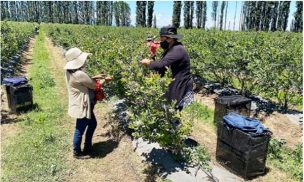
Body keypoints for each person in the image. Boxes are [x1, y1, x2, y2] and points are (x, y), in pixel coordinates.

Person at [64, 47, 112, 159]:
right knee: (80, 128)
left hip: (80, 103)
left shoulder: (70, 71)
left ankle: (88, 147)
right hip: (83, 105)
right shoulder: (79, 74)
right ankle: (77, 152)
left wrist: (96, 76)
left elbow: (83, 81)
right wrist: (106, 79)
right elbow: (95, 86)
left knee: (92, 124)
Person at [140, 25, 194, 111]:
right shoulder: (171, 48)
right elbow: (165, 65)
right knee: (171, 111)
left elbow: (162, 65)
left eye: (162, 38)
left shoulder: (177, 49)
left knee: (174, 112)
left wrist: (149, 63)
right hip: (176, 83)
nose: (160, 41)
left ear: (169, 38)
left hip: (180, 86)